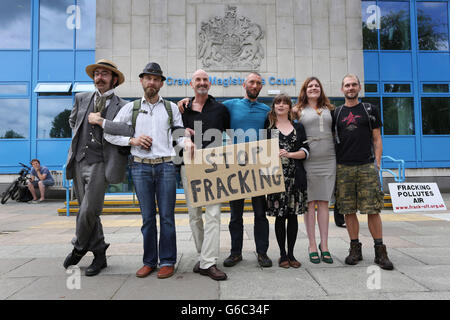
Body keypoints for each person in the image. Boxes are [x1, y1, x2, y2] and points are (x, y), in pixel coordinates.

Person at [178, 72, 273, 268]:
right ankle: (235, 252)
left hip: (257, 166)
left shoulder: (265, 110)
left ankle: (262, 252)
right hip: (232, 167)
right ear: (244, 84)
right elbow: (184, 121)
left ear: (261, 87)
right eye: (251, 82)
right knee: (234, 214)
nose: (254, 85)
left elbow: (277, 126)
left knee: (260, 214)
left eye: (258, 83)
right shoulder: (228, 106)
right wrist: (184, 101)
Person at [102, 62, 186, 279]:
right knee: (147, 217)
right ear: (141, 81)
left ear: (161, 83)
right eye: (148, 78)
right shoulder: (130, 109)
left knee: (167, 216)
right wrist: (132, 140)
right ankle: (149, 261)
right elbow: (109, 134)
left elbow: (179, 137)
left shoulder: (171, 108)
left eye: (156, 79)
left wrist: (188, 143)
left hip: (166, 166)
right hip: (140, 167)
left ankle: (167, 261)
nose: (152, 82)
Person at [63, 59, 132, 276]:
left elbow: (127, 130)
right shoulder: (82, 98)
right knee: (88, 211)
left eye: (104, 74)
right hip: (79, 161)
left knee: (89, 210)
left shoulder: (124, 105)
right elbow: (72, 122)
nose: (99, 78)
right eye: (97, 74)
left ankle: (79, 247)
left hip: (101, 163)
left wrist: (102, 122)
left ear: (114, 79)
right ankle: (100, 253)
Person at [333, 74, 394, 270]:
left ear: (359, 87)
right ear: (342, 89)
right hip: (343, 168)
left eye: (353, 85)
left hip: (366, 166)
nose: (350, 88)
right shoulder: (337, 112)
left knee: (373, 209)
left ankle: (380, 251)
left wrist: (377, 163)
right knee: (348, 210)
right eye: (347, 85)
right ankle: (354, 249)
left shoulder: (370, 110)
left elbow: (377, 139)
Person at [180, 69, 230, 281]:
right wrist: (184, 136)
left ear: (209, 84)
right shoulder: (181, 109)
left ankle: (208, 262)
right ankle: (204, 257)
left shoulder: (220, 109)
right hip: (189, 164)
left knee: (213, 214)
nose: (202, 82)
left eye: (205, 79)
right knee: (194, 215)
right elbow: (170, 129)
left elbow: (231, 134)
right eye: (198, 79)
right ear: (191, 84)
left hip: (214, 166)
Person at [292, 77, 335, 264]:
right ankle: (311, 245)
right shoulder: (297, 110)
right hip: (308, 159)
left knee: (324, 202)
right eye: (310, 86)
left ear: (321, 89)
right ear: (304, 90)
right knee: (310, 204)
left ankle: (324, 245)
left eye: (317, 85)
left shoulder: (330, 109)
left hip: (328, 158)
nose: (314, 88)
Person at [265, 94, 309, 268]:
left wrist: (289, 154)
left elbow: (306, 151)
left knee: (292, 217)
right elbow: (263, 153)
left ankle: (291, 253)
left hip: (295, 178)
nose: (281, 105)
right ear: (274, 107)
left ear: (290, 107)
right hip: (276, 178)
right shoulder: (269, 128)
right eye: (278, 103)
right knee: (279, 217)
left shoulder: (298, 127)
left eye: (285, 103)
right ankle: (282, 255)